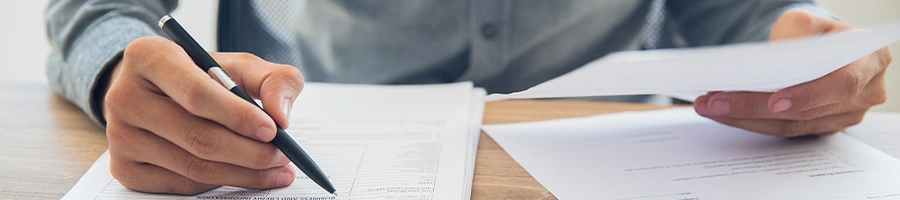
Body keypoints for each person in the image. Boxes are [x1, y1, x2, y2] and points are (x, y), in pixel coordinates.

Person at [46, 0, 891, 195]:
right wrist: (121, 66)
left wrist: (787, 46)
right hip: (311, 132)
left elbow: (727, 8)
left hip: (622, 157)